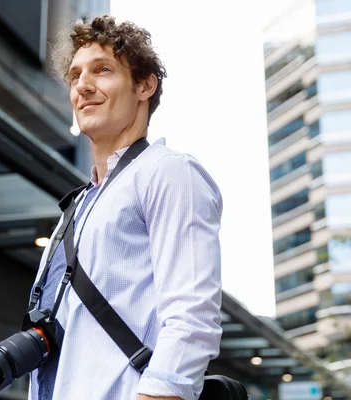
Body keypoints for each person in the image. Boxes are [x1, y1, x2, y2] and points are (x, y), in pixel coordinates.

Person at [28, 15, 223, 400]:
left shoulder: (167, 172)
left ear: (144, 85)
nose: (83, 85)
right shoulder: (79, 203)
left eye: (102, 70)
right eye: (75, 75)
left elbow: (192, 317)